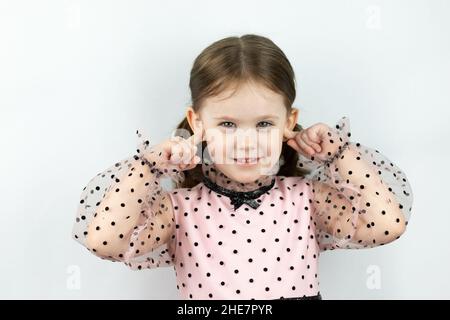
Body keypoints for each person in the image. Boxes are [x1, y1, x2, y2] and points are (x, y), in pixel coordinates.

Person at [72, 34, 413, 300]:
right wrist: (149, 166)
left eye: (264, 124)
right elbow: (104, 240)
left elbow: (387, 224)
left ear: (288, 122)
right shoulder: (180, 209)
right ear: (197, 122)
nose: (247, 142)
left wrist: (338, 153)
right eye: (228, 125)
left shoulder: (305, 200)